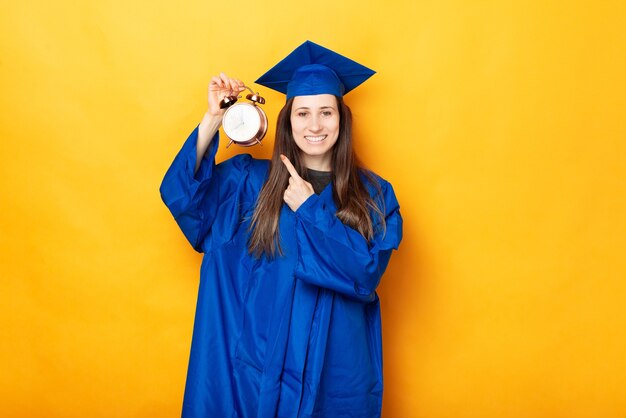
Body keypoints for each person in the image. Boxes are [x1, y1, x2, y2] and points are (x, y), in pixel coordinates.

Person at [160, 40, 403, 418]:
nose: (315, 125)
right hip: (255, 373)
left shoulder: (373, 194)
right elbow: (184, 198)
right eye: (302, 113)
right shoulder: (249, 182)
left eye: (327, 112)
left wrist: (309, 208)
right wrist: (212, 118)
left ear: (343, 119)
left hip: (333, 375)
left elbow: (364, 272)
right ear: (288, 120)